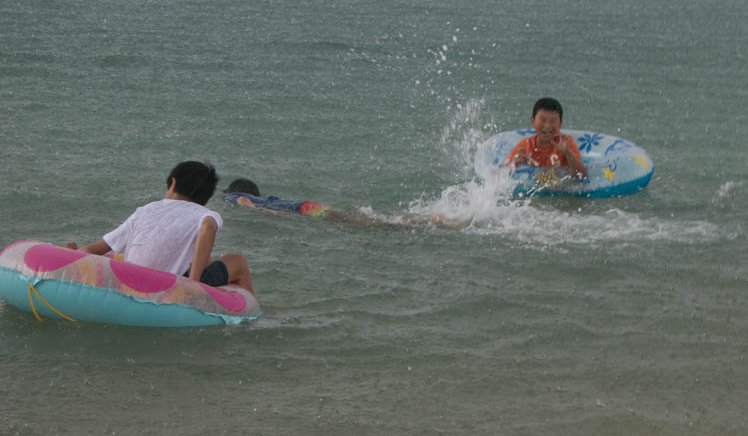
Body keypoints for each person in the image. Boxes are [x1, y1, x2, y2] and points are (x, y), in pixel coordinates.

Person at [66, 161, 254, 294]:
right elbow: (207, 228)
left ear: (172, 183)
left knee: (207, 259)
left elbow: (94, 250)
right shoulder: (204, 214)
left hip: (129, 282)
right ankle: (252, 318)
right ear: (205, 199)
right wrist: (193, 284)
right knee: (237, 261)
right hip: (171, 288)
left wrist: (75, 256)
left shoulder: (145, 210)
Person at [223, 179, 466, 229]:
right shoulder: (266, 196)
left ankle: (427, 221)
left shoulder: (233, 197)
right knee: (355, 217)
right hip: (306, 206)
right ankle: (426, 218)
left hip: (304, 212)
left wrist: (261, 212)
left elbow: (242, 200)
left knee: (367, 223)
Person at [504, 97, 587, 180]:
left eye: (553, 121)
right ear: (532, 121)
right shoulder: (525, 145)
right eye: (543, 120)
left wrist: (568, 153)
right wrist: (515, 164)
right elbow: (501, 174)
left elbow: (582, 176)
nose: (547, 126)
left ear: (560, 124)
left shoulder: (565, 143)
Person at [223, 178, 335, 218]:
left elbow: (242, 200)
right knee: (341, 216)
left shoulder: (232, 195)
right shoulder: (268, 199)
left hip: (299, 210)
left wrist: (259, 209)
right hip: (303, 205)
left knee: (334, 218)